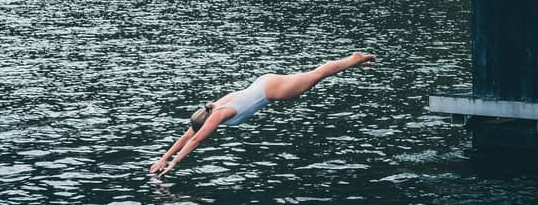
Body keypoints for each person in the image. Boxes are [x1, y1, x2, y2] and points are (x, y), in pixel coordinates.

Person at [149, 51, 376, 177]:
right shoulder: (209, 108)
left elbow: (196, 140)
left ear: (207, 122)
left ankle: (353, 59)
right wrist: (163, 157)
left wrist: (172, 165)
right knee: (313, 74)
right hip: (264, 82)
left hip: (272, 91)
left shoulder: (217, 115)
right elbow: (188, 135)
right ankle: (353, 62)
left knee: (317, 75)